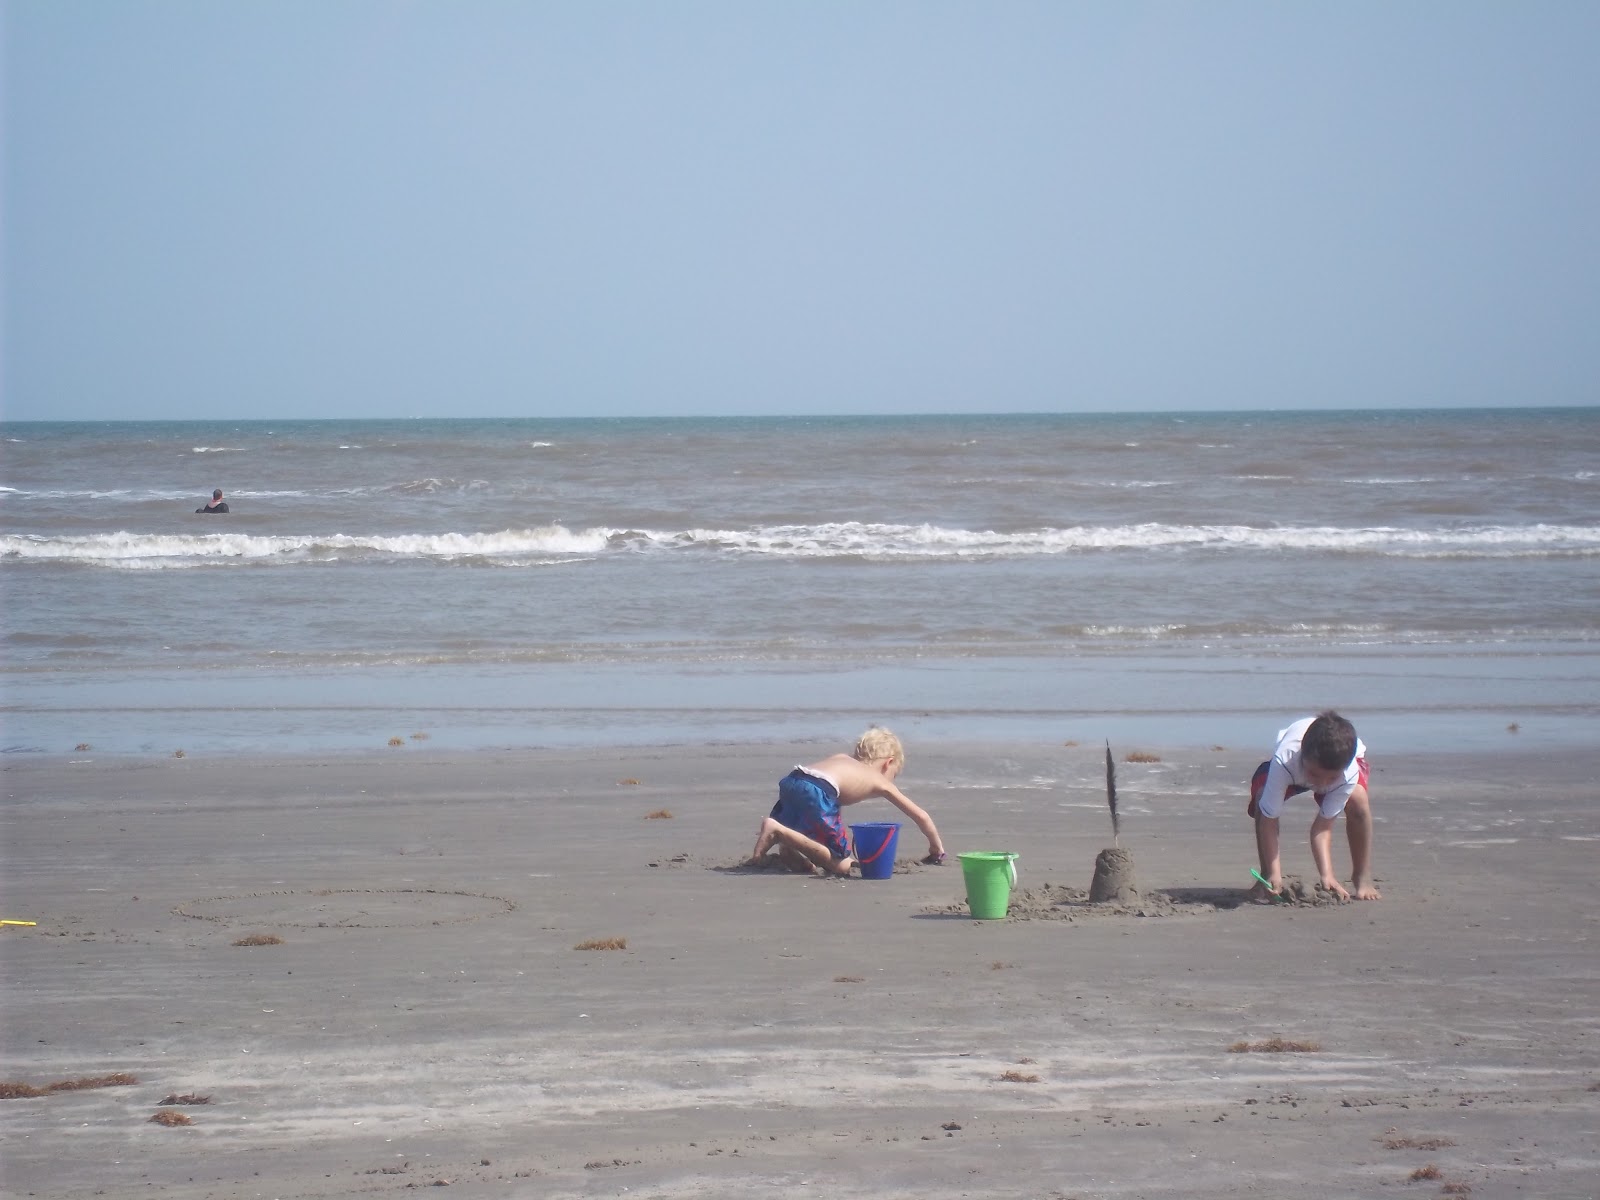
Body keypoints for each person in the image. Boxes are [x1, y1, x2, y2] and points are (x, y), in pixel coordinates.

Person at [750, 726, 947, 876]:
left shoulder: (842, 758)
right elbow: (921, 816)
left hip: (794, 779)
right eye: (894, 774)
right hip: (819, 789)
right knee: (842, 864)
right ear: (888, 763)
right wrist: (936, 848)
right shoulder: (878, 779)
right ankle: (777, 830)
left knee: (800, 852)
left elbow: (818, 800)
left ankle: (785, 843)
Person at [1247, 711, 1378, 902]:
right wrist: (1276, 871)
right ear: (1303, 758)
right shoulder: (1285, 759)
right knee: (1262, 798)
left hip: (1335, 768)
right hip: (1294, 772)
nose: (1323, 784)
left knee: (1358, 799)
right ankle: (1268, 875)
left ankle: (1362, 875)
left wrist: (1327, 875)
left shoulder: (1347, 772)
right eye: (1316, 775)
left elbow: (1323, 828)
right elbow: (1269, 820)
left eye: (1330, 778)